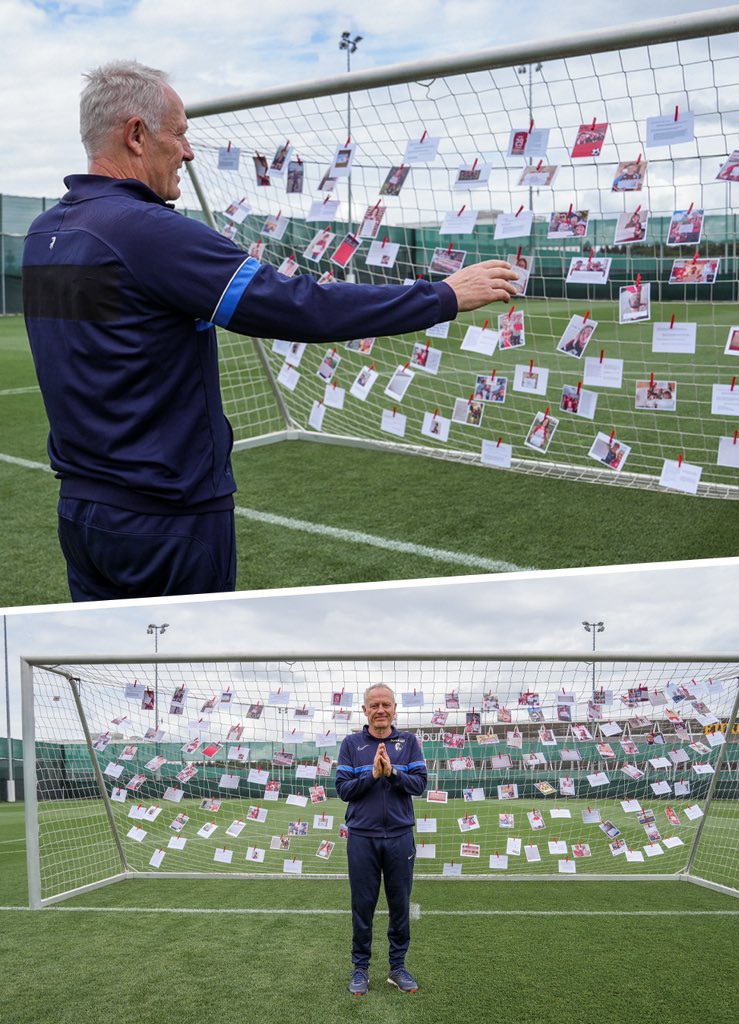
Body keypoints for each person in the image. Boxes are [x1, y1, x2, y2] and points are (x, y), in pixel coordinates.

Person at [22, 60, 518, 601]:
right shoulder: (148, 231)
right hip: (165, 521)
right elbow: (297, 306)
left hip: (81, 518)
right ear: (137, 135)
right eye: (181, 134)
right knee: (189, 664)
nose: (187, 151)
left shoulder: (44, 233)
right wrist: (442, 295)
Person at [335, 684, 427, 996]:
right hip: (362, 837)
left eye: (386, 704)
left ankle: (397, 967)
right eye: (374, 705)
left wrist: (392, 774)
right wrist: (372, 776)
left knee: (399, 905)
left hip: (400, 837)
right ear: (365, 710)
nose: (380, 710)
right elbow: (344, 789)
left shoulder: (409, 742)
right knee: (363, 906)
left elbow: (419, 784)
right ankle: (360, 968)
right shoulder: (351, 744)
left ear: (394, 708)